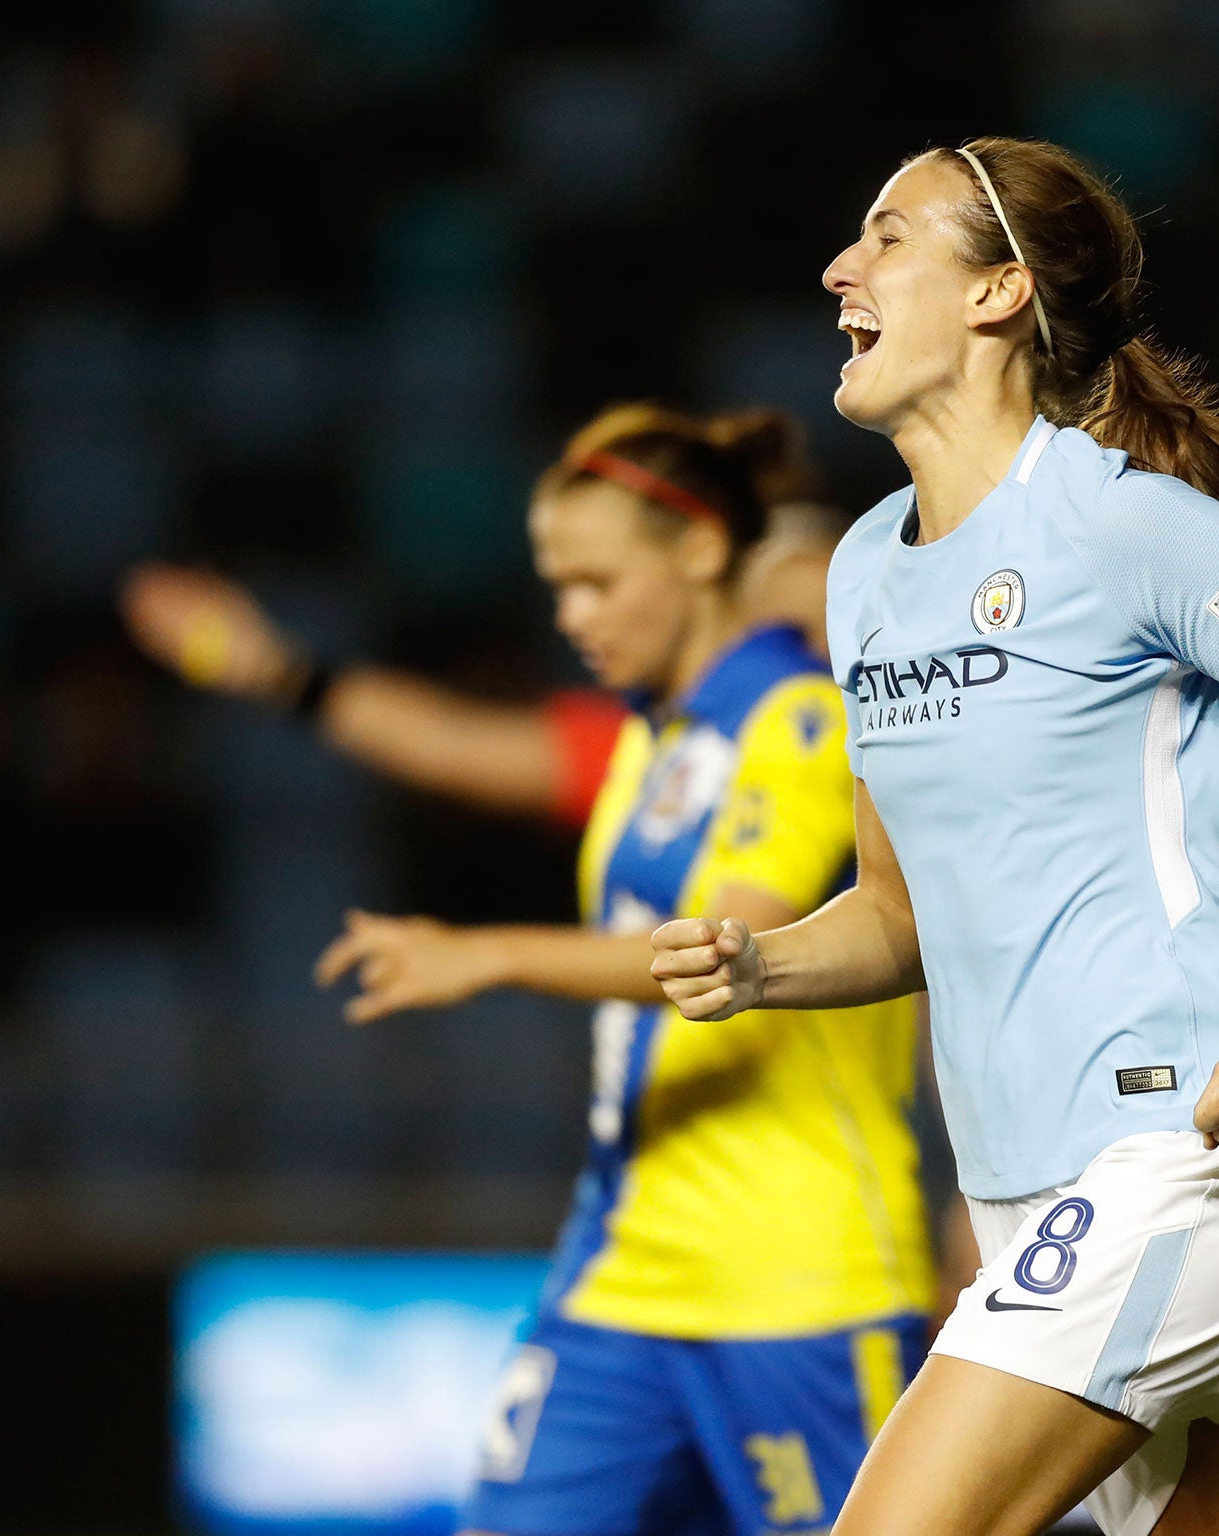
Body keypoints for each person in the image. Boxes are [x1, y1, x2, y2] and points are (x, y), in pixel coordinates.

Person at [649, 137, 1219, 1536]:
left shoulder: (1129, 529)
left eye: (888, 236)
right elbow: (898, 916)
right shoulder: (866, 572)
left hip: (1167, 1163)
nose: (838, 269)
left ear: (998, 294)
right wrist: (760, 963)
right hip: (1015, 1199)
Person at [134, 405, 938, 1536]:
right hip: (622, 1270)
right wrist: (277, 673)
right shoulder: (649, 744)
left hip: (800, 1281)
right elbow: (467, 748)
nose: (571, 617)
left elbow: (714, 954)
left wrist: (485, 953)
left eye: (596, 583)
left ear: (706, 556)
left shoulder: (809, 725)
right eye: (559, 586)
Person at [119, 498, 854, 831]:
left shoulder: (927, 759)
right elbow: (455, 745)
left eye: (841, 630)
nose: (810, 661)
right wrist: (280, 672)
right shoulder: (670, 762)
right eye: (784, 634)